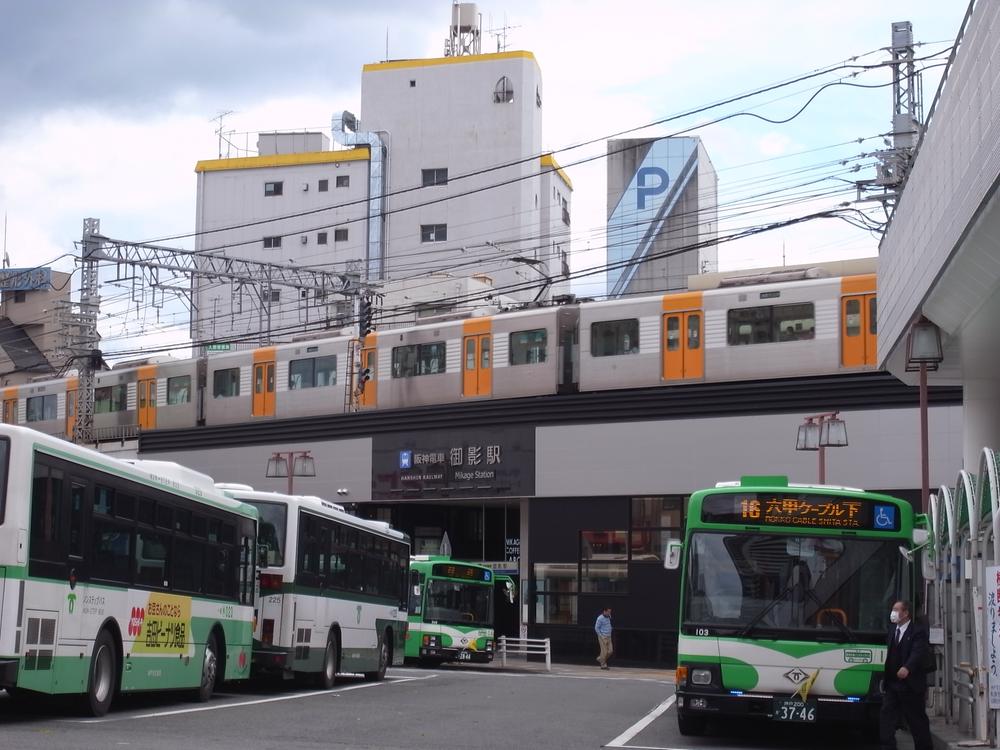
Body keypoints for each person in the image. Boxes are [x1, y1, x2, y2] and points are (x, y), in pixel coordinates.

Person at [880, 599, 932, 750]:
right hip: (892, 683)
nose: (893, 613)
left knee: (916, 720)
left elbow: (917, 652)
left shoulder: (917, 631)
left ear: (906, 613)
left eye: (896, 610)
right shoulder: (891, 630)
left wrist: (907, 667)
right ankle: (888, 746)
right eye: (893, 609)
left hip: (910, 684)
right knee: (886, 716)